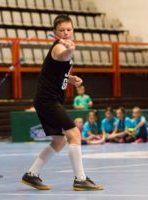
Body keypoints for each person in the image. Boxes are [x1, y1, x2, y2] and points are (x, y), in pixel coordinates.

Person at [22, 15, 103, 191]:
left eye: (69, 29)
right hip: (48, 100)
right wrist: (70, 49)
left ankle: (31, 174)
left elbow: (58, 68)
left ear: (72, 30)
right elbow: (62, 54)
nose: (66, 33)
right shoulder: (60, 47)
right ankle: (80, 179)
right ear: (55, 32)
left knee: (59, 141)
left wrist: (69, 78)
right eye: (61, 30)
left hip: (47, 99)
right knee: (74, 134)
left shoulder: (63, 48)